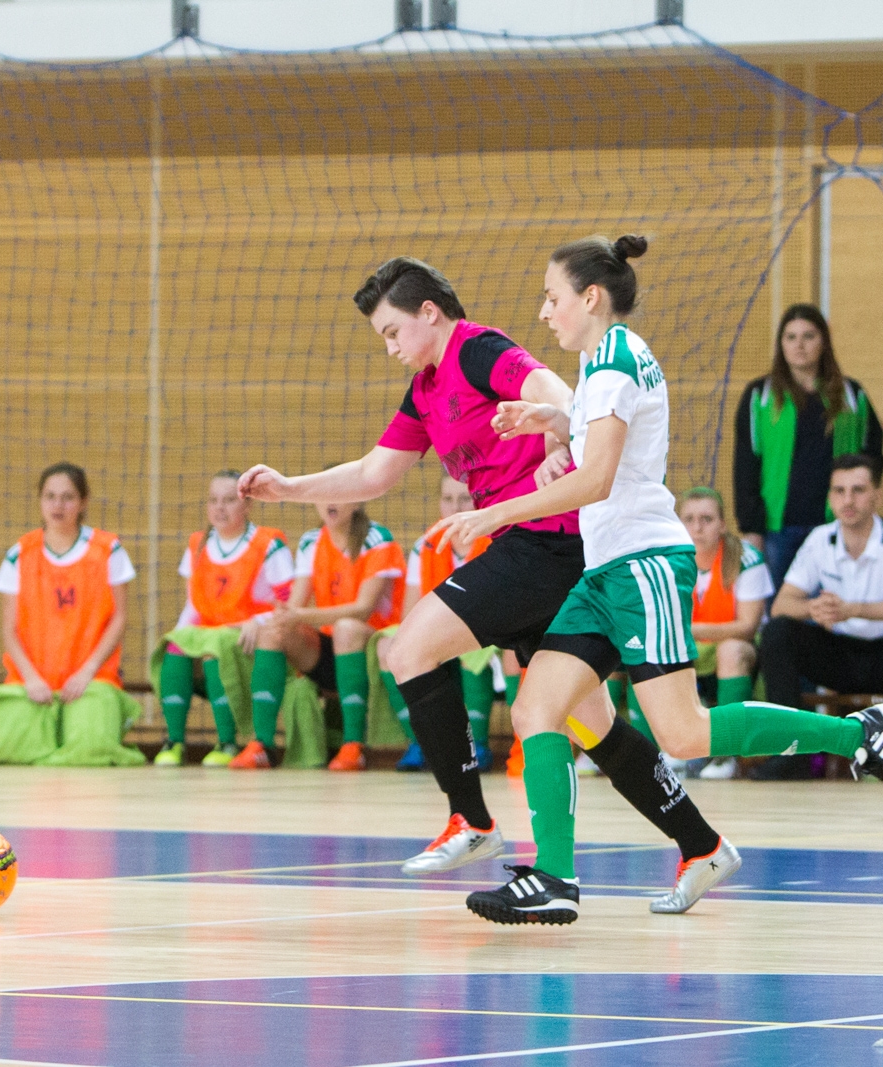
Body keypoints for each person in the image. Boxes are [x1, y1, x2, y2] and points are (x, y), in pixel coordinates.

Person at [432, 235, 883, 926]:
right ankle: (555, 877)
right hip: (606, 573)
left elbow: (598, 479)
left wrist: (496, 514)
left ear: (590, 297)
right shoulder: (606, 360)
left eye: (552, 297)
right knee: (535, 708)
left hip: (644, 566)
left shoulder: (613, 362)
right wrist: (556, 419)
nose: (544, 311)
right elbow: (613, 441)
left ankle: (857, 735)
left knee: (684, 733)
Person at [239, 256, 732, 908]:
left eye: (393, 332)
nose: (390, 348)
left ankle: (470, 818)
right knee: (593, 724)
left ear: (429, 313)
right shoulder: (424, 390)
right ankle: (701, 844)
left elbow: (560, 392)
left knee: (409, 649)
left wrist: (562, 440)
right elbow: (374, 473)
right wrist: (288, 488)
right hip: (538, 551)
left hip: (546, 541)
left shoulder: (478, 350)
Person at [0, 462, 145, 767]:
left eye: (68, 497)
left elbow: (120, 618)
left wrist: (87, 672)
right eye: (50, 497)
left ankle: (83, 721)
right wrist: (31, 679)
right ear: (40, 500)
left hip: (92, 679)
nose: (58, 506)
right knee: (7, 748)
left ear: (83, 502)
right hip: (31, 681)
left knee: (90, 750)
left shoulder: (108, 549)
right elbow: (9, 630)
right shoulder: (20, 553)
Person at [758, 454, 883, 761]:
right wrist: (814, 608)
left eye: (858, 490)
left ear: (877, 496)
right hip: (838, 656)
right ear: (830, 497)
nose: (848, 500)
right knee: (777, 632)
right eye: (839, 491)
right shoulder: (819, 539)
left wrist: (854, 609)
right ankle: (790, 754)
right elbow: (781, 606)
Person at [733, 303, 883, 590]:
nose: (799, 345)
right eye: (790, 337)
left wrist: (860, 509)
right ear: (781, 344)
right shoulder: (760, 396)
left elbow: (872, 455)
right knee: (780, 611)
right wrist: (751, 527)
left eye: (808, 336)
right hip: (779, 530)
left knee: (832, 611)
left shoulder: (851, 395)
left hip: (835, 526)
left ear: (823, 341)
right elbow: (745, 464)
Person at [151, 470, 295, 767]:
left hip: (251, 637)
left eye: (229, 500)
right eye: (213, 500)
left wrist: (259, 622)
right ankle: (174, 741)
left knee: (212, 648)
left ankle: (227, 742)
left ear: (248, 504)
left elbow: (290, 605)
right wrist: (179, 636)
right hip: (212, 634)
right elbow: (192, 607)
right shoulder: (198, 544)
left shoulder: (268, 543)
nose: (219, 508)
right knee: (175, 646)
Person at [263, 499, 404, 772]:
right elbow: (295, 606)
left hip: (374, 646)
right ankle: (261, 746)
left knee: (347, 628)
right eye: (322, 494)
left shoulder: (376, 538)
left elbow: (363, 609)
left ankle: (353, 745)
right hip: (331, 646)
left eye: (337, 493)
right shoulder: (311, 541)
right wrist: (281, 616)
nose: (329, 501)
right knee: (274, 631)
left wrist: (299, 615)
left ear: (356, 500)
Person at [377, 472, 495, 773]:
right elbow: (409, 613)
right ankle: (421, 742)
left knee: (476, 648)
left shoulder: (494, 540)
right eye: (448, 499)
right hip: (438, 633)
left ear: (478, 501)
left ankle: (478, 745)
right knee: (389, 646)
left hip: (485, 630)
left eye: (464, 498)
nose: (455, 507)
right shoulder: (426, 545)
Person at [678, 486, 773, 780]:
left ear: (722, 524)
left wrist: (689, 631)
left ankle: (726, 753)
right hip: (692, 649)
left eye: (706, 519)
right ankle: (669, 751)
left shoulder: (745, 558)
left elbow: (747, 626)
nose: (697, 527)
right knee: (656, 651)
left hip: (740, 650)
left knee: (730, 650)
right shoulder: (669, 560)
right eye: (689, 519)